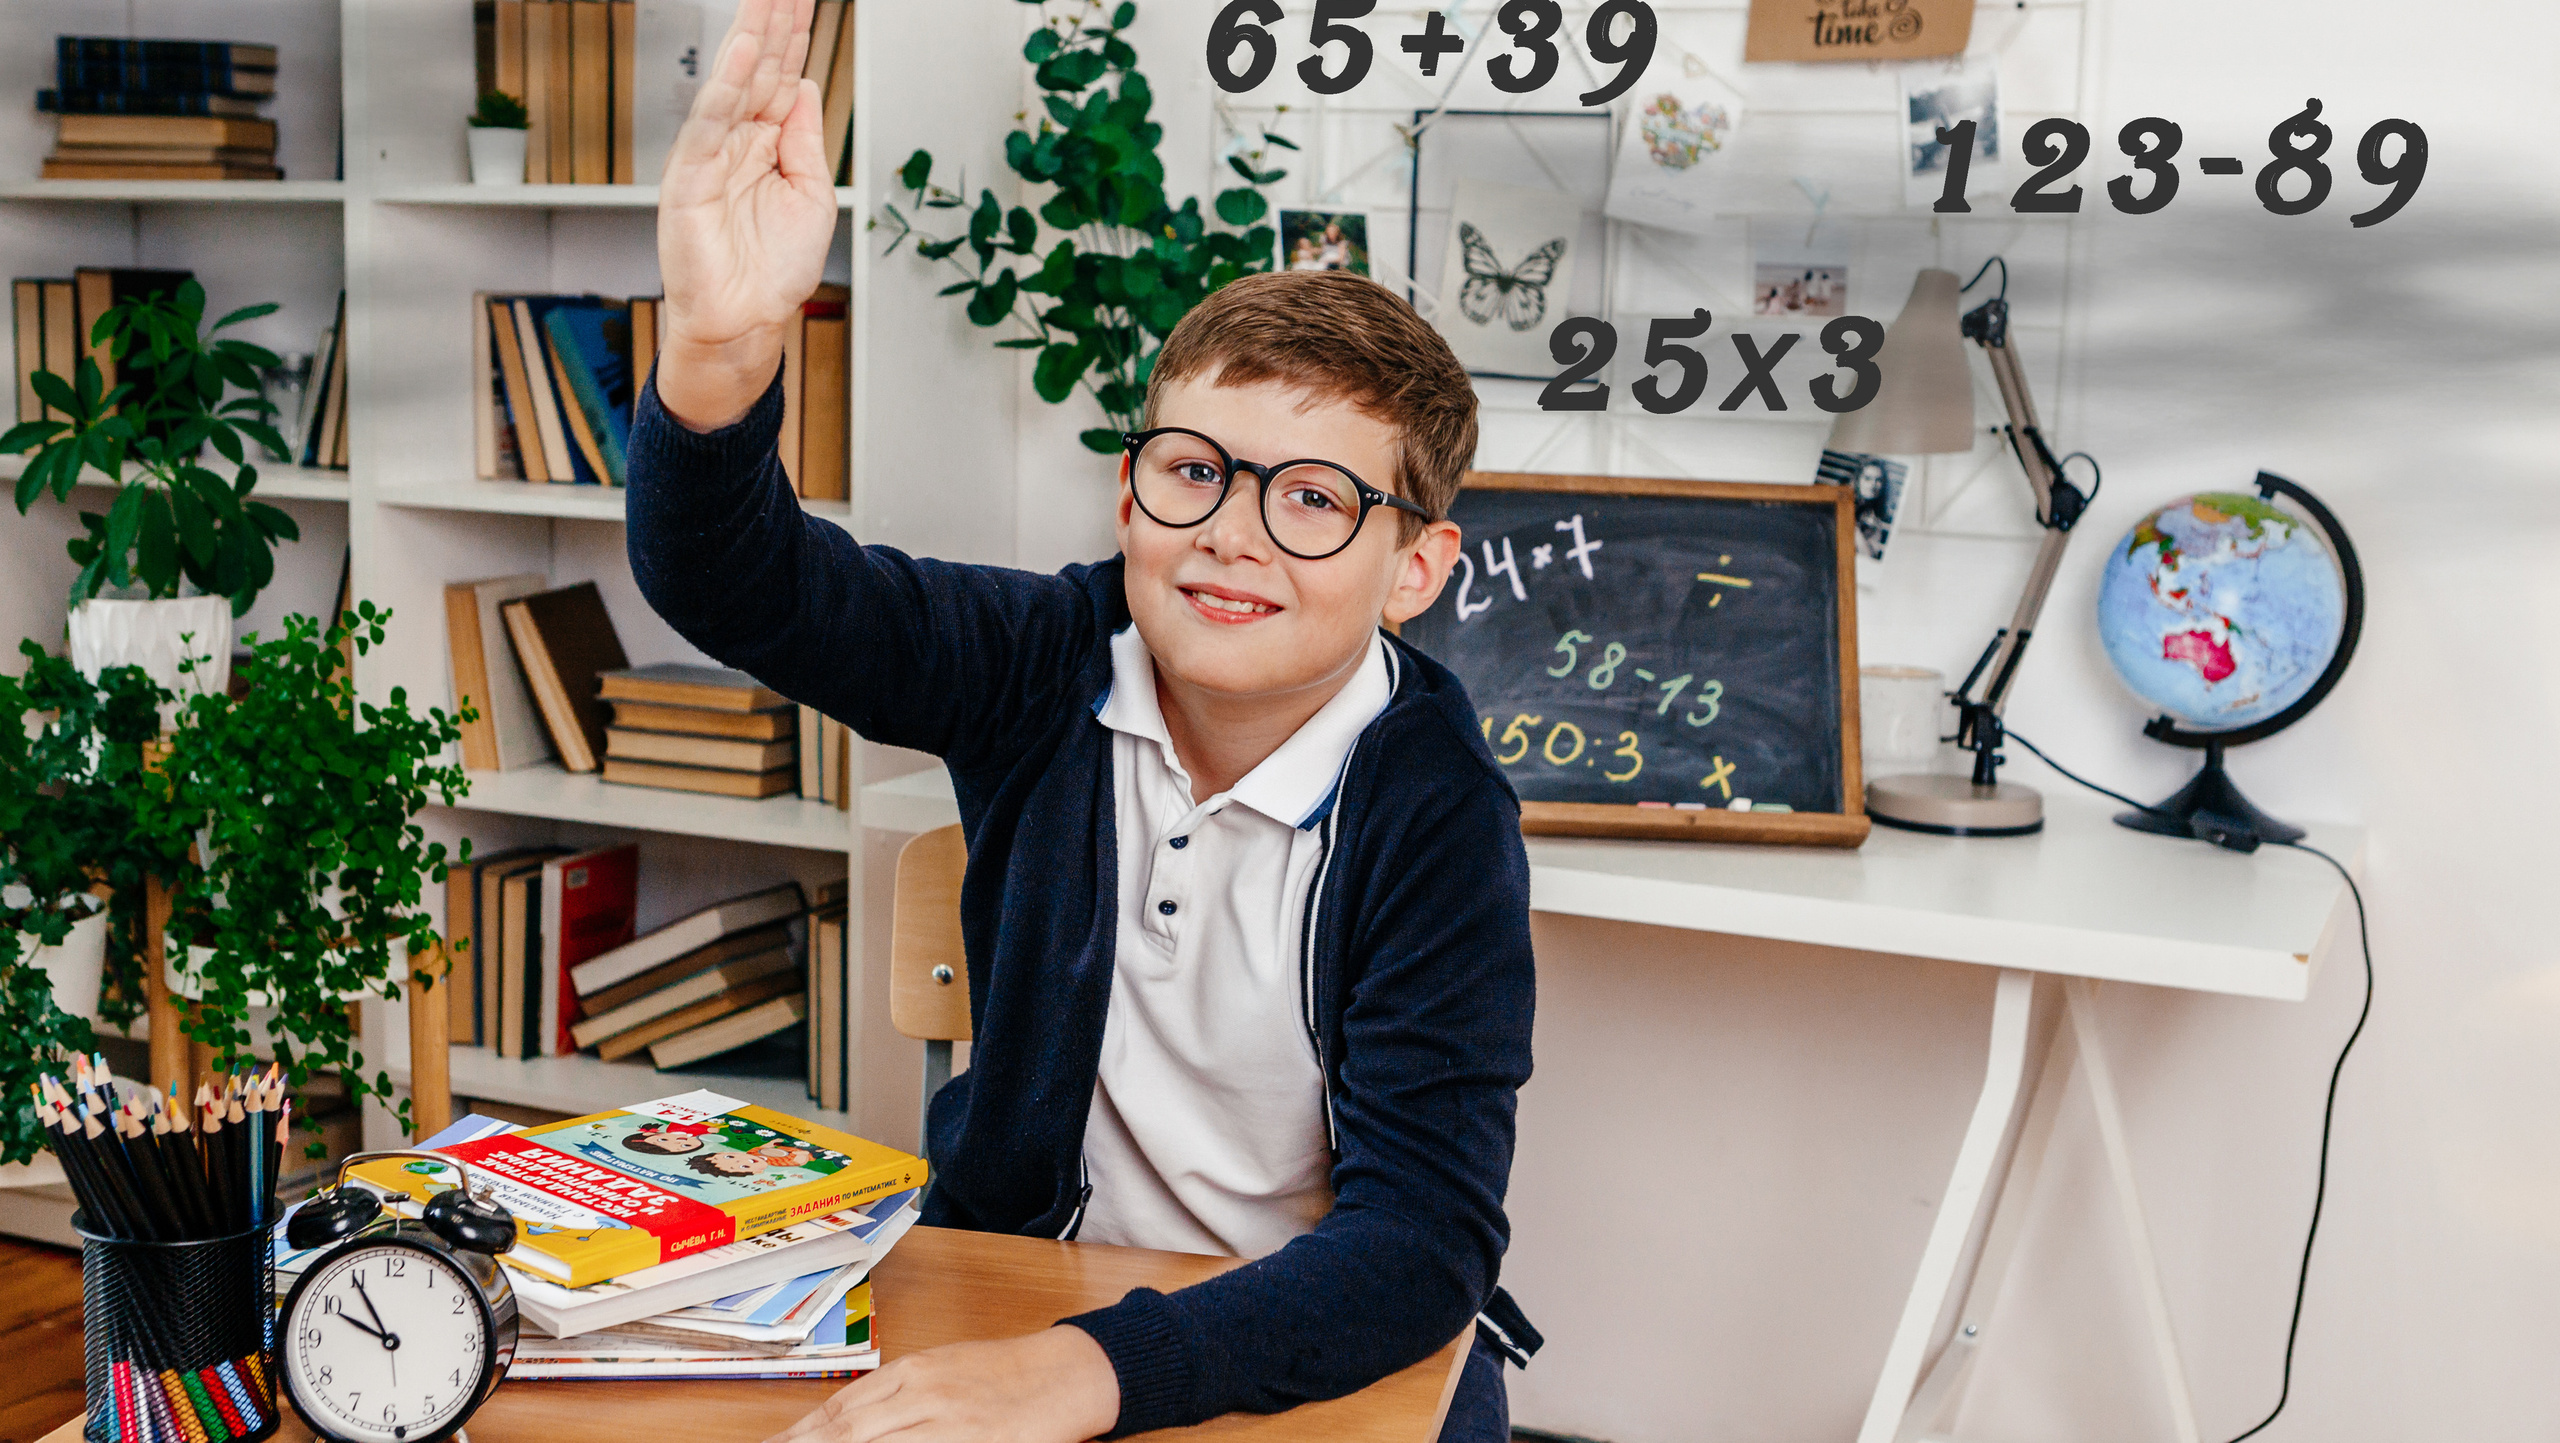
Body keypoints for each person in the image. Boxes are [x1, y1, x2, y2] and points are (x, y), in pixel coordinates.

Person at [634, 4, 1538, 1442]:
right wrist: (720, 348)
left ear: (1414, 568)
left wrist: (1082, 1374)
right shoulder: (1047, 661)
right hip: (1025, 1293)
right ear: (1130, 498)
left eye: (1313, 498)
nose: (1234, 537)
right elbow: (736, 581)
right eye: (1196, 470)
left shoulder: (1435, 810)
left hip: (1311, 1344)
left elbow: (1422, 1247)